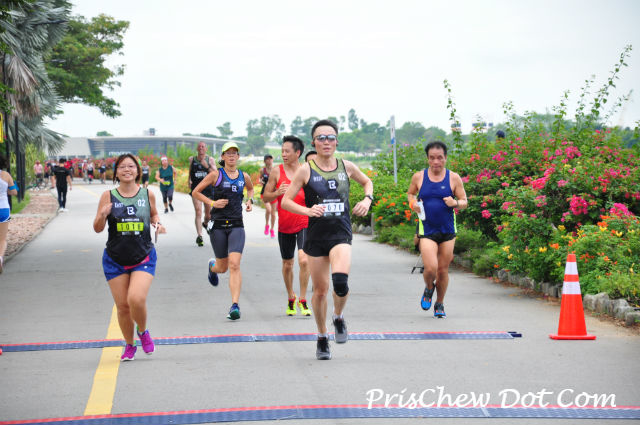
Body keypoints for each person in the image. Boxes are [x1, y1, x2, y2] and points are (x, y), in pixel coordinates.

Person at [282, 119, 373, 360]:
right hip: (316, 237)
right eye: (321, 137)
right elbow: (286, 201)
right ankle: (322, 336)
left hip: (340, 234)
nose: (326, 141)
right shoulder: (306, 170)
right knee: (321, 291)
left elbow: (367, 182)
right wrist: (307, 210)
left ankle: (338, 317)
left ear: (336, 141)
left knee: (340, 283)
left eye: (330, 137)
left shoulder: (347, 166)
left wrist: (367, 199)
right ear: (314, 142)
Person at [93, 153, 165, 361]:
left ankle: (142, 331)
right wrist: (102, 215)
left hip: (143, 256)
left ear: (138, 171)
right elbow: (97, 228)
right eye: (122, 166)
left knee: (136, 298)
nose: (127, 169)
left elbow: (153, 214)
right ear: (116, 172)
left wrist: (157, 223)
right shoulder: (108, 196)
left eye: (131, 166)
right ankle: (129, 344)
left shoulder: (147, 194)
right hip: (114, 259)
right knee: (123, 306)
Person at [192, 142, 254, 320]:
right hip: (218, 225)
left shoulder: (244, 176)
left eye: (235, 153)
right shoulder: (215, 175)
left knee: (234, 264)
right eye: (228, 153)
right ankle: (212, 268)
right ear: (223, 157)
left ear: (238, 157)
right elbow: (196, 192)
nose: (232, 156)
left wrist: (250, 201)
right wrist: (212, 203)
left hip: (236, 225)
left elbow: (250, 189)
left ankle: (235, 306)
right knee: (222, 267)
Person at [407, 141, 468, 318]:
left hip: (447, 230)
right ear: (427, 159)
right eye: (432, 158)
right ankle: (429, 287)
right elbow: (410, 193)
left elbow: (464, 201)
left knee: (442, 270)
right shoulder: (419, 177)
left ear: (445, 158)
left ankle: (439, 303)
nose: (436, 162)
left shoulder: (453, 178)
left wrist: (455, 203)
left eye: (440, 158)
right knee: (430, 269)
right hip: (427, 230)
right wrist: (413, 204)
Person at [262, 136, 311, 317]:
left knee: (304, 260)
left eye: (287, 151)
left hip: (304, 222)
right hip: (285, 224)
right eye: (282, 151)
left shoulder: (306, 171)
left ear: (297, 153)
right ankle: (291, 296)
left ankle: (303, 299)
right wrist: (277, 192)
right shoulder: (277, 171)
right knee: (287, 264)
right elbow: (265, 196)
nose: (283, 154)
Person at [188, 142, 216, 247]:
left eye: (203, 146)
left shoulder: (210, 160)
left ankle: (205, 223)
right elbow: (190, 171)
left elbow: (215, 173)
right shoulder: (192, 159)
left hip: (208, 190)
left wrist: (207, 166)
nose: (201, 148)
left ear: (206, 149)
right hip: (196, 189)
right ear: (197, 148)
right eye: (199, 146)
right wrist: (188, 181)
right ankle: (199, 236)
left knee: (208, 215)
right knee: (198, 211)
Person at [0, 156, 19, 273]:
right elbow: (14, 192)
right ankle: (0, 258)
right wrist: (5, 190)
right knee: (2, 239)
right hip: (3, 208)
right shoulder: (6, 175)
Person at [260, 154, 277, 238]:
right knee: (269, 210)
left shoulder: (276, 170)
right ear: (265, 161)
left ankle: (272, 229)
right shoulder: (262, 170)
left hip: (274, 193)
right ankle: (267, 225)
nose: (269, 160)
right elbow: (260, 179)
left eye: (270, 159)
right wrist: (261, 181)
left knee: (273, 213)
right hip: (265, 193)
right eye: (267, 159)